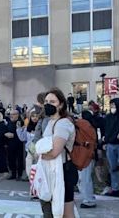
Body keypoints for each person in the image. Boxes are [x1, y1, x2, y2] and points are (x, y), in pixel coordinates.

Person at [40, 88, 77, 218]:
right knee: (56, 210)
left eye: (52, 101)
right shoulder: (51, 122)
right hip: (53, 171)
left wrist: (39, 155)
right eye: (46, 101)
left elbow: (55, 152)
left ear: (61, 104)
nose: (48, 104)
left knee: (66, 212)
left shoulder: (63, 124)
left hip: (63, 171)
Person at [78, 111, 97, 208]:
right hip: (87, 156)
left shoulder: (83, 125)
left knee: (84, 179)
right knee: (85, 179)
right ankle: (89, 198)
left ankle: (89, 199)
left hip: (84, 156)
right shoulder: (90, 127)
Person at [103, 98, 119, 197]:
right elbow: (105, 130)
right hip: (110, 144)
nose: (112, 107)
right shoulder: (108, 117)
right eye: (111, 105)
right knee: (113, 168)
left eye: (114, 105)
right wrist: (104, 142)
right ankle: (115, 189)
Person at [16, 110, 39, 181]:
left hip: (38, 150)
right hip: (29, 150)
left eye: (36, 116)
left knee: (37, 166)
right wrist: (19, 128)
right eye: (33, 116)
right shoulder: (27, 127)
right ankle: (30, 178)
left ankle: (37, 180)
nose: (34, 118)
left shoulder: (41, 127)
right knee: (28, 165)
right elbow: (22, 138)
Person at [5, 110, 25, 181]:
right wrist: (6, 134)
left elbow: (23, 133)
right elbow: (6, 130)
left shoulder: (20, 122)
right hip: (10, 143)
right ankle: (13, 174)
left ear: (17, 115)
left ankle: (19, 175)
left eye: (13, 114)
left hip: (18, 143)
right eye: (10, 114)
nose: (11, 116)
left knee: (19, 159)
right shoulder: (9, 122)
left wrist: (14, 135)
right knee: (11, 159)